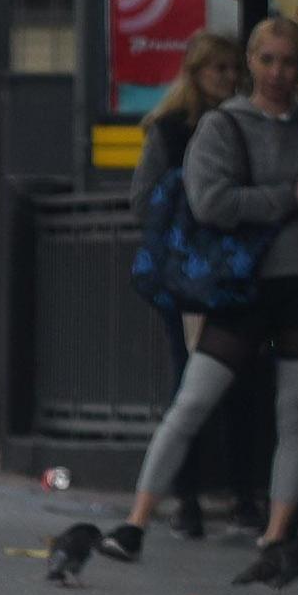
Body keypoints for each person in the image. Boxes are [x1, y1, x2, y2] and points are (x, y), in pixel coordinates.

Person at [101, 17, 298, 588]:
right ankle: (136, 521)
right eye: (268, 60)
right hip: (242, 283)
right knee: (194, 399)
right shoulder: (222, 124)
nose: (279, 73)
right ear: (251, 63)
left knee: (296, 411)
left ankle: (276, 536)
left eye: (290, 62)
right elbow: (212, 201)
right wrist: (286, 198)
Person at [130, 32, 244, 541]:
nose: (226, 78)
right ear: (195, 74)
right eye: (215, 68)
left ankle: (241, 491)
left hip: (238, 267)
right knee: (189, 382)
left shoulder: (246, 123)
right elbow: (143, 199)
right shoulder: (172, 130)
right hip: (189, 273)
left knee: (240, 380)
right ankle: (189, 495)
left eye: (231, 68)